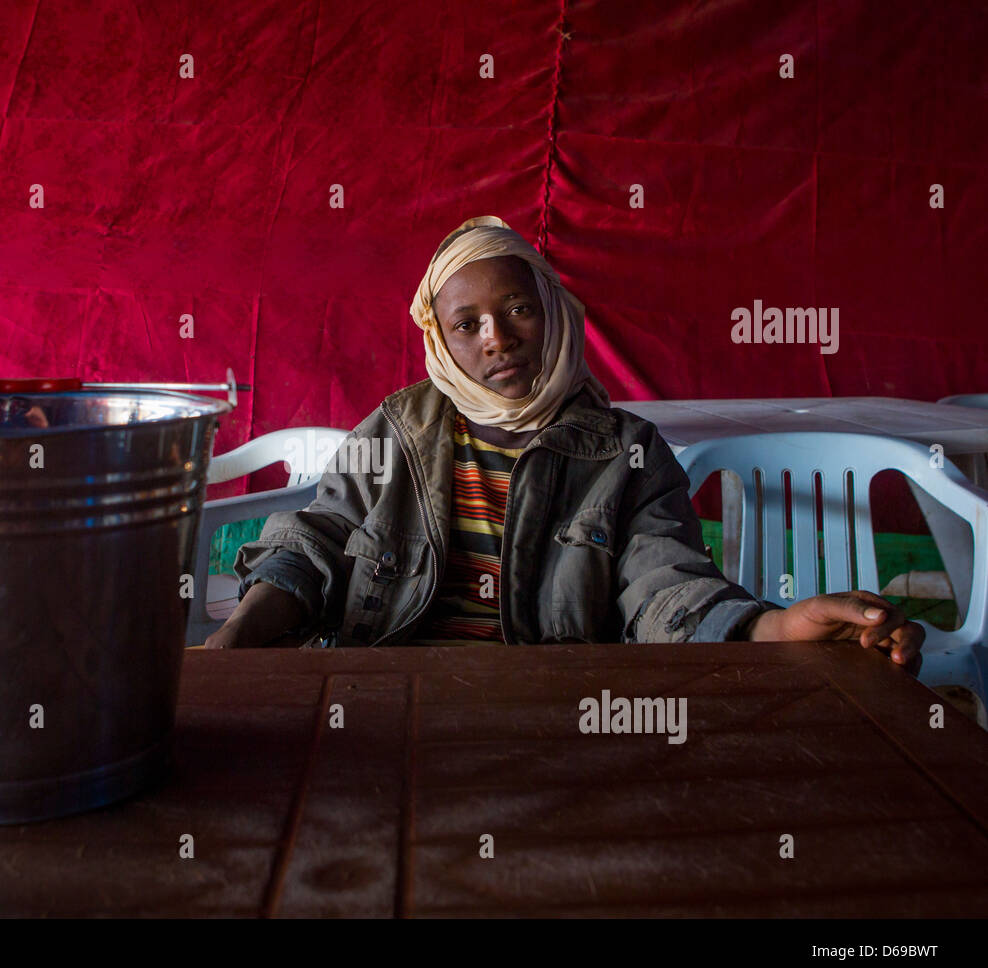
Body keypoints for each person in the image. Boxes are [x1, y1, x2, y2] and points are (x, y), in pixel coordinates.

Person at [205, 215, 925, 671]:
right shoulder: (395, 432)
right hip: (386, 692)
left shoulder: (625, 453)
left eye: (518, 307)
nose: (497, 339)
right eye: (468, 323)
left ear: (551, 311)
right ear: (439, 338)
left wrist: (771, 626)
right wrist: (238, 632)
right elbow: (316, 540)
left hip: (550, 709)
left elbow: (663, 589)